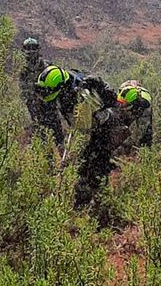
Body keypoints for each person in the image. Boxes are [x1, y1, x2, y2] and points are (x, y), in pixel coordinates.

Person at [35, 65, 119, 208]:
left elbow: (83, 131)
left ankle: (100, 205)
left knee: (95, 166)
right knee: (83, 165)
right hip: (89, 127)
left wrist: (70, 157)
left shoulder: (82, 94)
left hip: (103, 127)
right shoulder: (65, 91)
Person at [112, 80, 153, 157]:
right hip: (131, 100)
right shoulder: (124, 91)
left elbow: (138, 133)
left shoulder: (144, 107)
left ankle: (145, 156)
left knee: (145, 136)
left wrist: (120, 149)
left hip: (140, 109)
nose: (121, 105)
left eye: (123, 104)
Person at [19, 37, 51, 130]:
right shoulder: (22, 68)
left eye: (33, 47)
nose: (31, 51)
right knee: (36, 122)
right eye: (28, 48)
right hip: (31, 100)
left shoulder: (46, 65)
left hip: (47, 98)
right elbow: (22, 87)